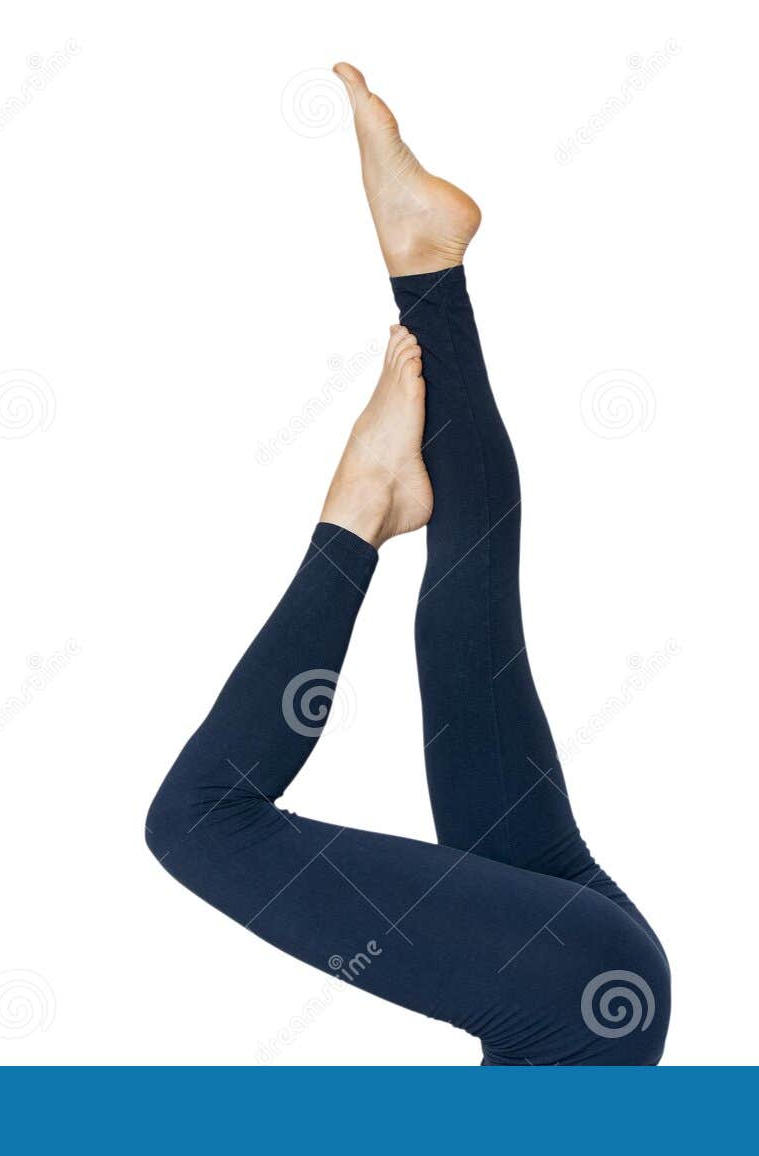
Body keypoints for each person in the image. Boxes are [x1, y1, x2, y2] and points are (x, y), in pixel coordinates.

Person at [145, 63, 669, 1065]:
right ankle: (358, 512)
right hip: (569, 1011)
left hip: (580, 980)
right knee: (199, 824)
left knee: (466, 645)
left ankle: (426, 263)